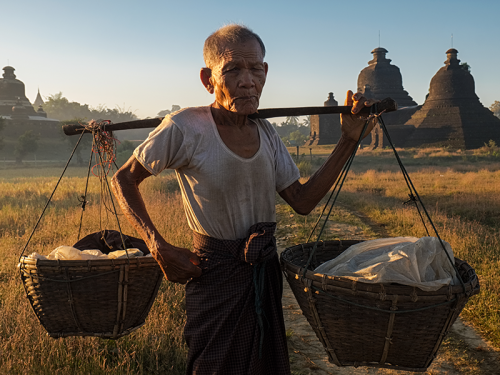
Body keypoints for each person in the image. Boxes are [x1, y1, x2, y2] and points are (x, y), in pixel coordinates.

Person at [111, 24, 377, 375]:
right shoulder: (186, 126)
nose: (247, 80)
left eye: (255, 69)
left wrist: (348, 140)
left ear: (265, 73)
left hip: (263, 272)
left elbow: (301, 200)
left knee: (265, 362)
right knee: (214, 365)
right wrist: (158, 246)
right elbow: (124, 178)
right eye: (233, 69)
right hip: (215, 274)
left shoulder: (266, 132)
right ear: (209, 80)